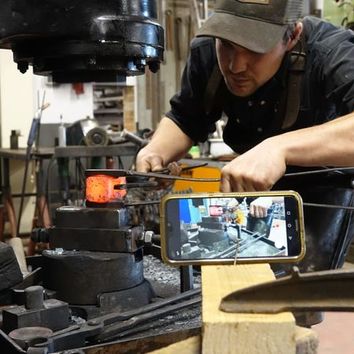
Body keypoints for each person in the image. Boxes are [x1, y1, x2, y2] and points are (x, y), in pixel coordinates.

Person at [136, 0, 354, 273]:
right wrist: (154, 152)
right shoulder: (206, 54)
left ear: (293, 36)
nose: (236, 65)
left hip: (322, 188)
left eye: (254, 50)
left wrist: (279, 149)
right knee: (239, 278)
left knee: (299, 294)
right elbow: (186, 118)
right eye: (226, 45)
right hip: (251, 185)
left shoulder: (331, 52)